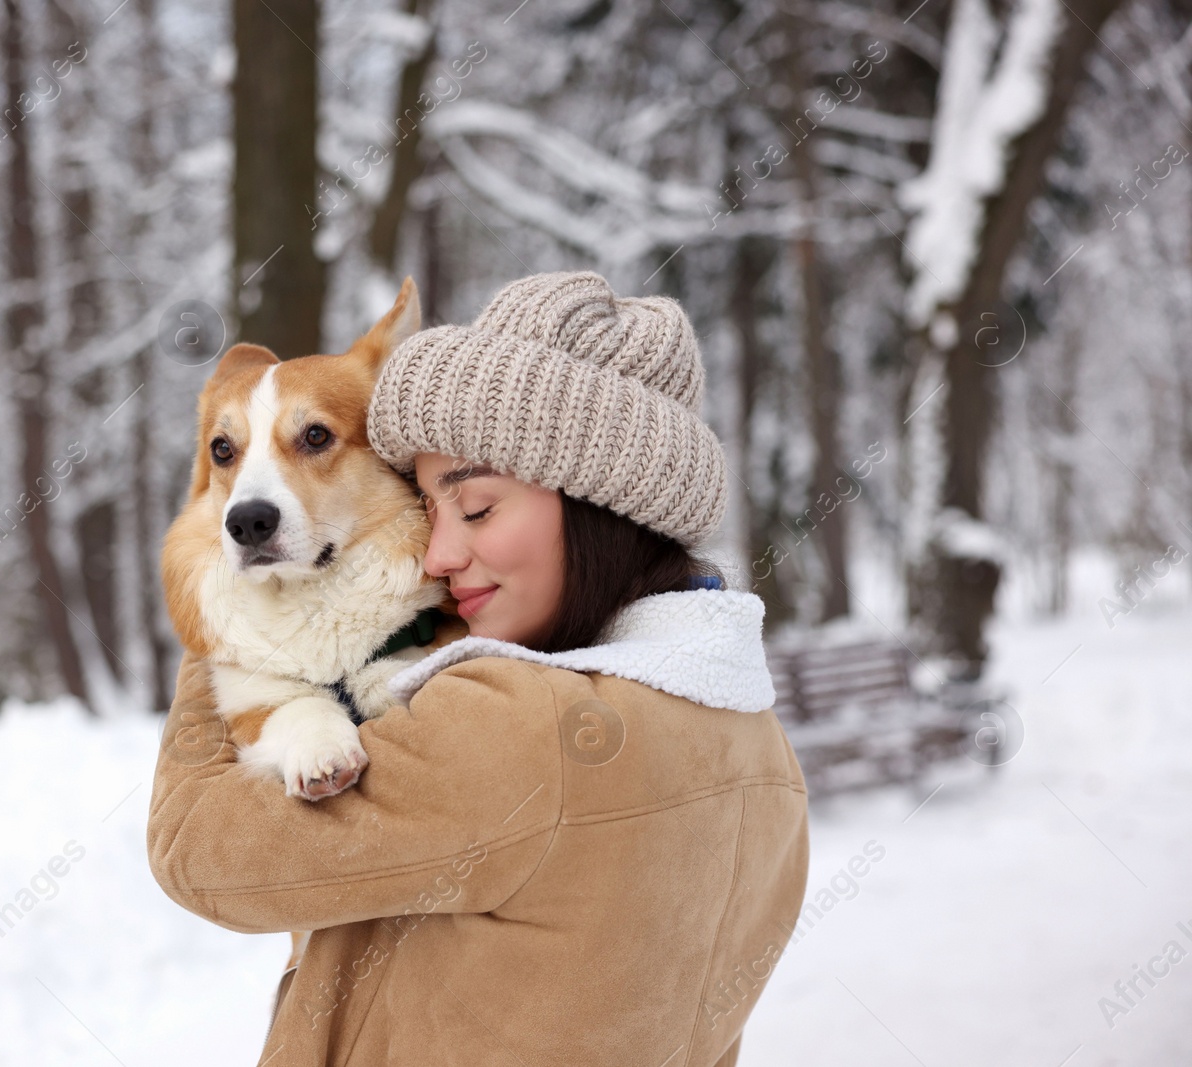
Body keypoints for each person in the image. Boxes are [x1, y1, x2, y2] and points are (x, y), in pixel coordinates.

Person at [147, 271, 809, 1066]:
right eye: (430, 507)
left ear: (600, 505)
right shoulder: (757, 742)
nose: (439, 551)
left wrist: (225, 621)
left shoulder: (520, 725)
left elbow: (201, 850)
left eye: (479, 508)